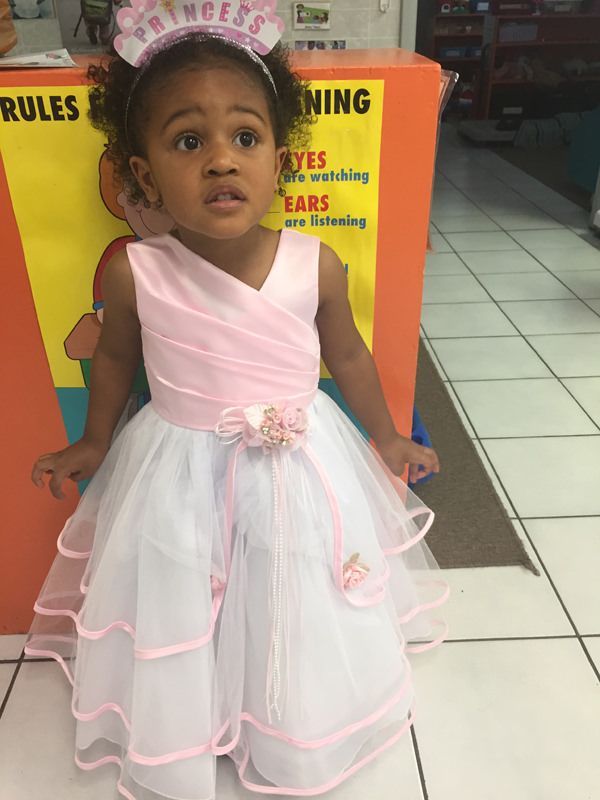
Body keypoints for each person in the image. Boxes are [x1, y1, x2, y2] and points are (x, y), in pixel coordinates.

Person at [27, 2, 447, 798]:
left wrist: (387, 436)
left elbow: (348, 355)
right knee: (188, 586)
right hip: (178, 469)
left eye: (245, 138)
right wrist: (94, 442)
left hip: (299, 465)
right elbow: (114, 361)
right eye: (189, 142)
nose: (221, 160)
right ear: (143, 173)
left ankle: (289, 720)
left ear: (279, 160)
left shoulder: (315, 263)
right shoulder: (136, 273)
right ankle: (190, 718)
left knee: (291, 584)